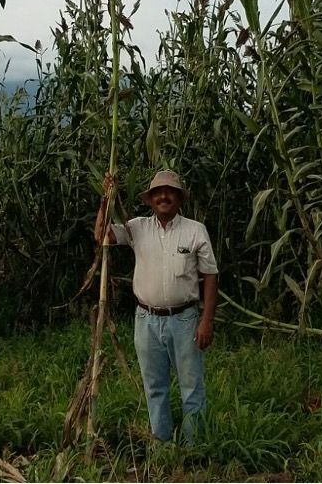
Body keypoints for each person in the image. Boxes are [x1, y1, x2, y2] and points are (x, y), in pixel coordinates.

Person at [94, 169, 218, 445]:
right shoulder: (136, 228)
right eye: (157, 193)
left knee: (192, 387)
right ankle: (161, 443)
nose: (164, 197)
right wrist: (106, 199)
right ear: (150, 200)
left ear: (179, 198)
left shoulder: (195, 230)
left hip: (185, 319)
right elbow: (102, 235)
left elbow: (210, 275)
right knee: (154, 387)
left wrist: (206, 320)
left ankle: (194, 447)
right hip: (146, 320)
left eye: (170, 192)